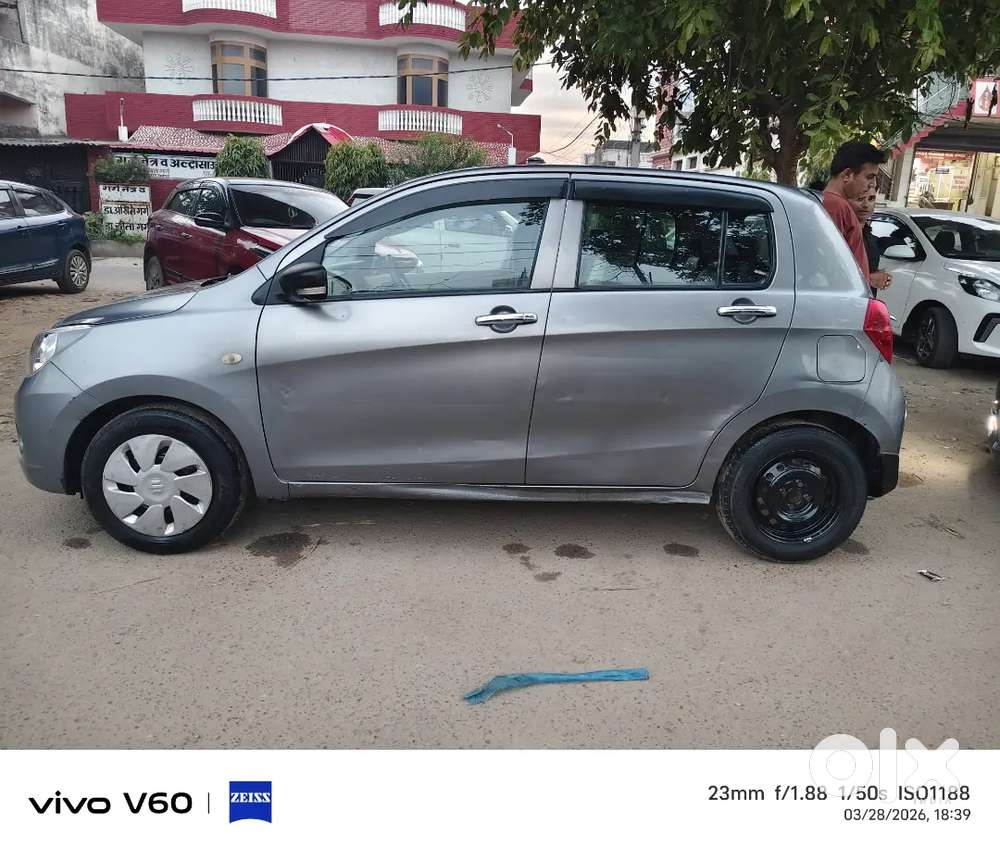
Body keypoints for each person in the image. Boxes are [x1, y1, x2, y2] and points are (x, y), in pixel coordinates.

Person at [822, 141, 887, 287]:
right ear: (847, 175)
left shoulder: (832, 204)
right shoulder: (836, 206)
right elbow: (833, 269)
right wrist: (870, 280)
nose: (873, 184)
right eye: (870, 177)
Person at [848, 189, 892, 295]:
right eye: (860, 199)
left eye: (871, 199)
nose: (866, 204)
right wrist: (870, 279)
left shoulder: (868, 234)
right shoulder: (841, 232)